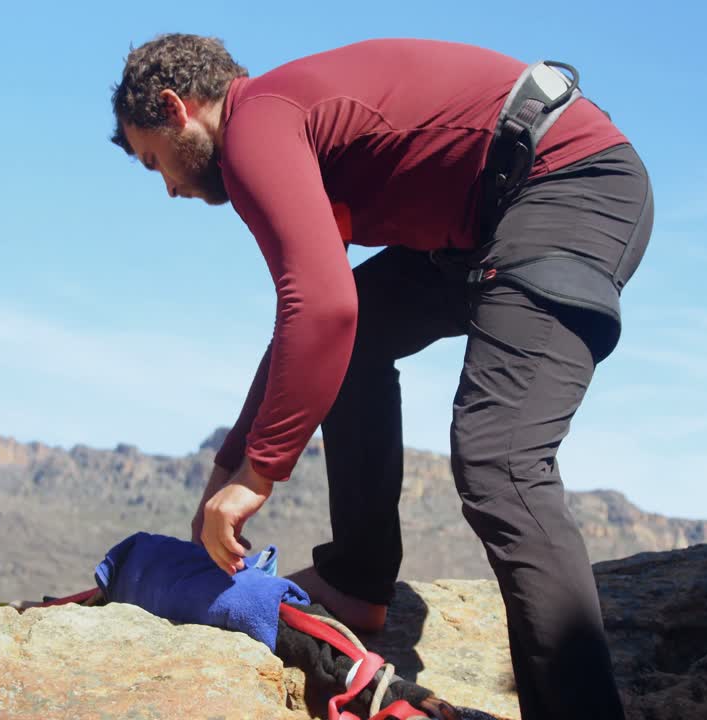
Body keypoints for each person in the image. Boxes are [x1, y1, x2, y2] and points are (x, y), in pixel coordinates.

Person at [109, 33, 652, 720]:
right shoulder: (281, 122)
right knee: (360, 336)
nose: (170, 189)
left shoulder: (255, 125)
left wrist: (259, 475)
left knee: (501, 461)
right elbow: (307, 324)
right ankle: (356, 579)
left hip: (568, 186)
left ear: (176, 106)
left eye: (156, 160)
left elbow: (323, 307)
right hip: (497, 213)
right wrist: (228, 467)